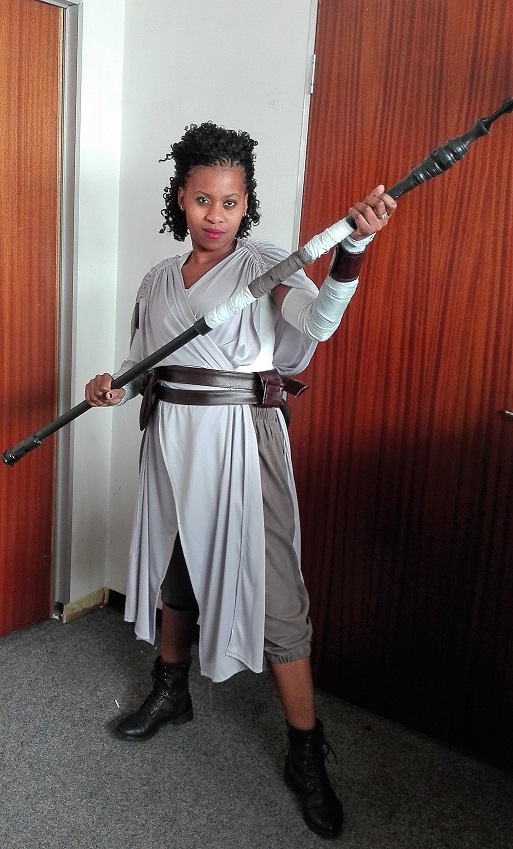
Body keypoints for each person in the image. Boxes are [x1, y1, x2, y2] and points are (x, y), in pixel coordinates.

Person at [85, 121, 396, 840]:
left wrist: (351, 249)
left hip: (240, 441)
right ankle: (172, 690)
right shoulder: (157, 280)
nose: (216, 215)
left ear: (246, 203)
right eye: (203, 199)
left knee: (276, 591)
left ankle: (305, 749)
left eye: (230, 201)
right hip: (170, 438)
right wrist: (113, 387)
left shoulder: (266, 265)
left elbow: (318, 323)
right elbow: (142, 365)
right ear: (181, 198)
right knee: (175, 568)